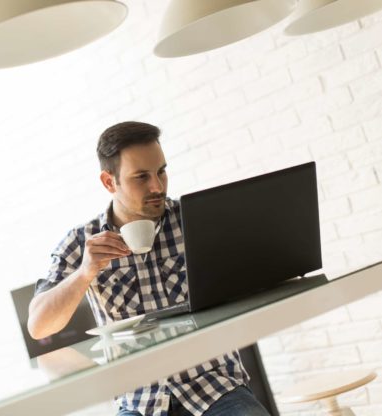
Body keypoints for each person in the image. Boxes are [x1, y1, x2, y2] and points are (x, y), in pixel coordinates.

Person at [27, 121, 270, 416]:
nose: (157, 186)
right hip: (139, 402)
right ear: (109, 182)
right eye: (141, 177)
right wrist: (85, 272)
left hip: (215, 389)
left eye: (161, 172)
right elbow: (39, 326)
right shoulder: (82, 242)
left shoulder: (194, 220)